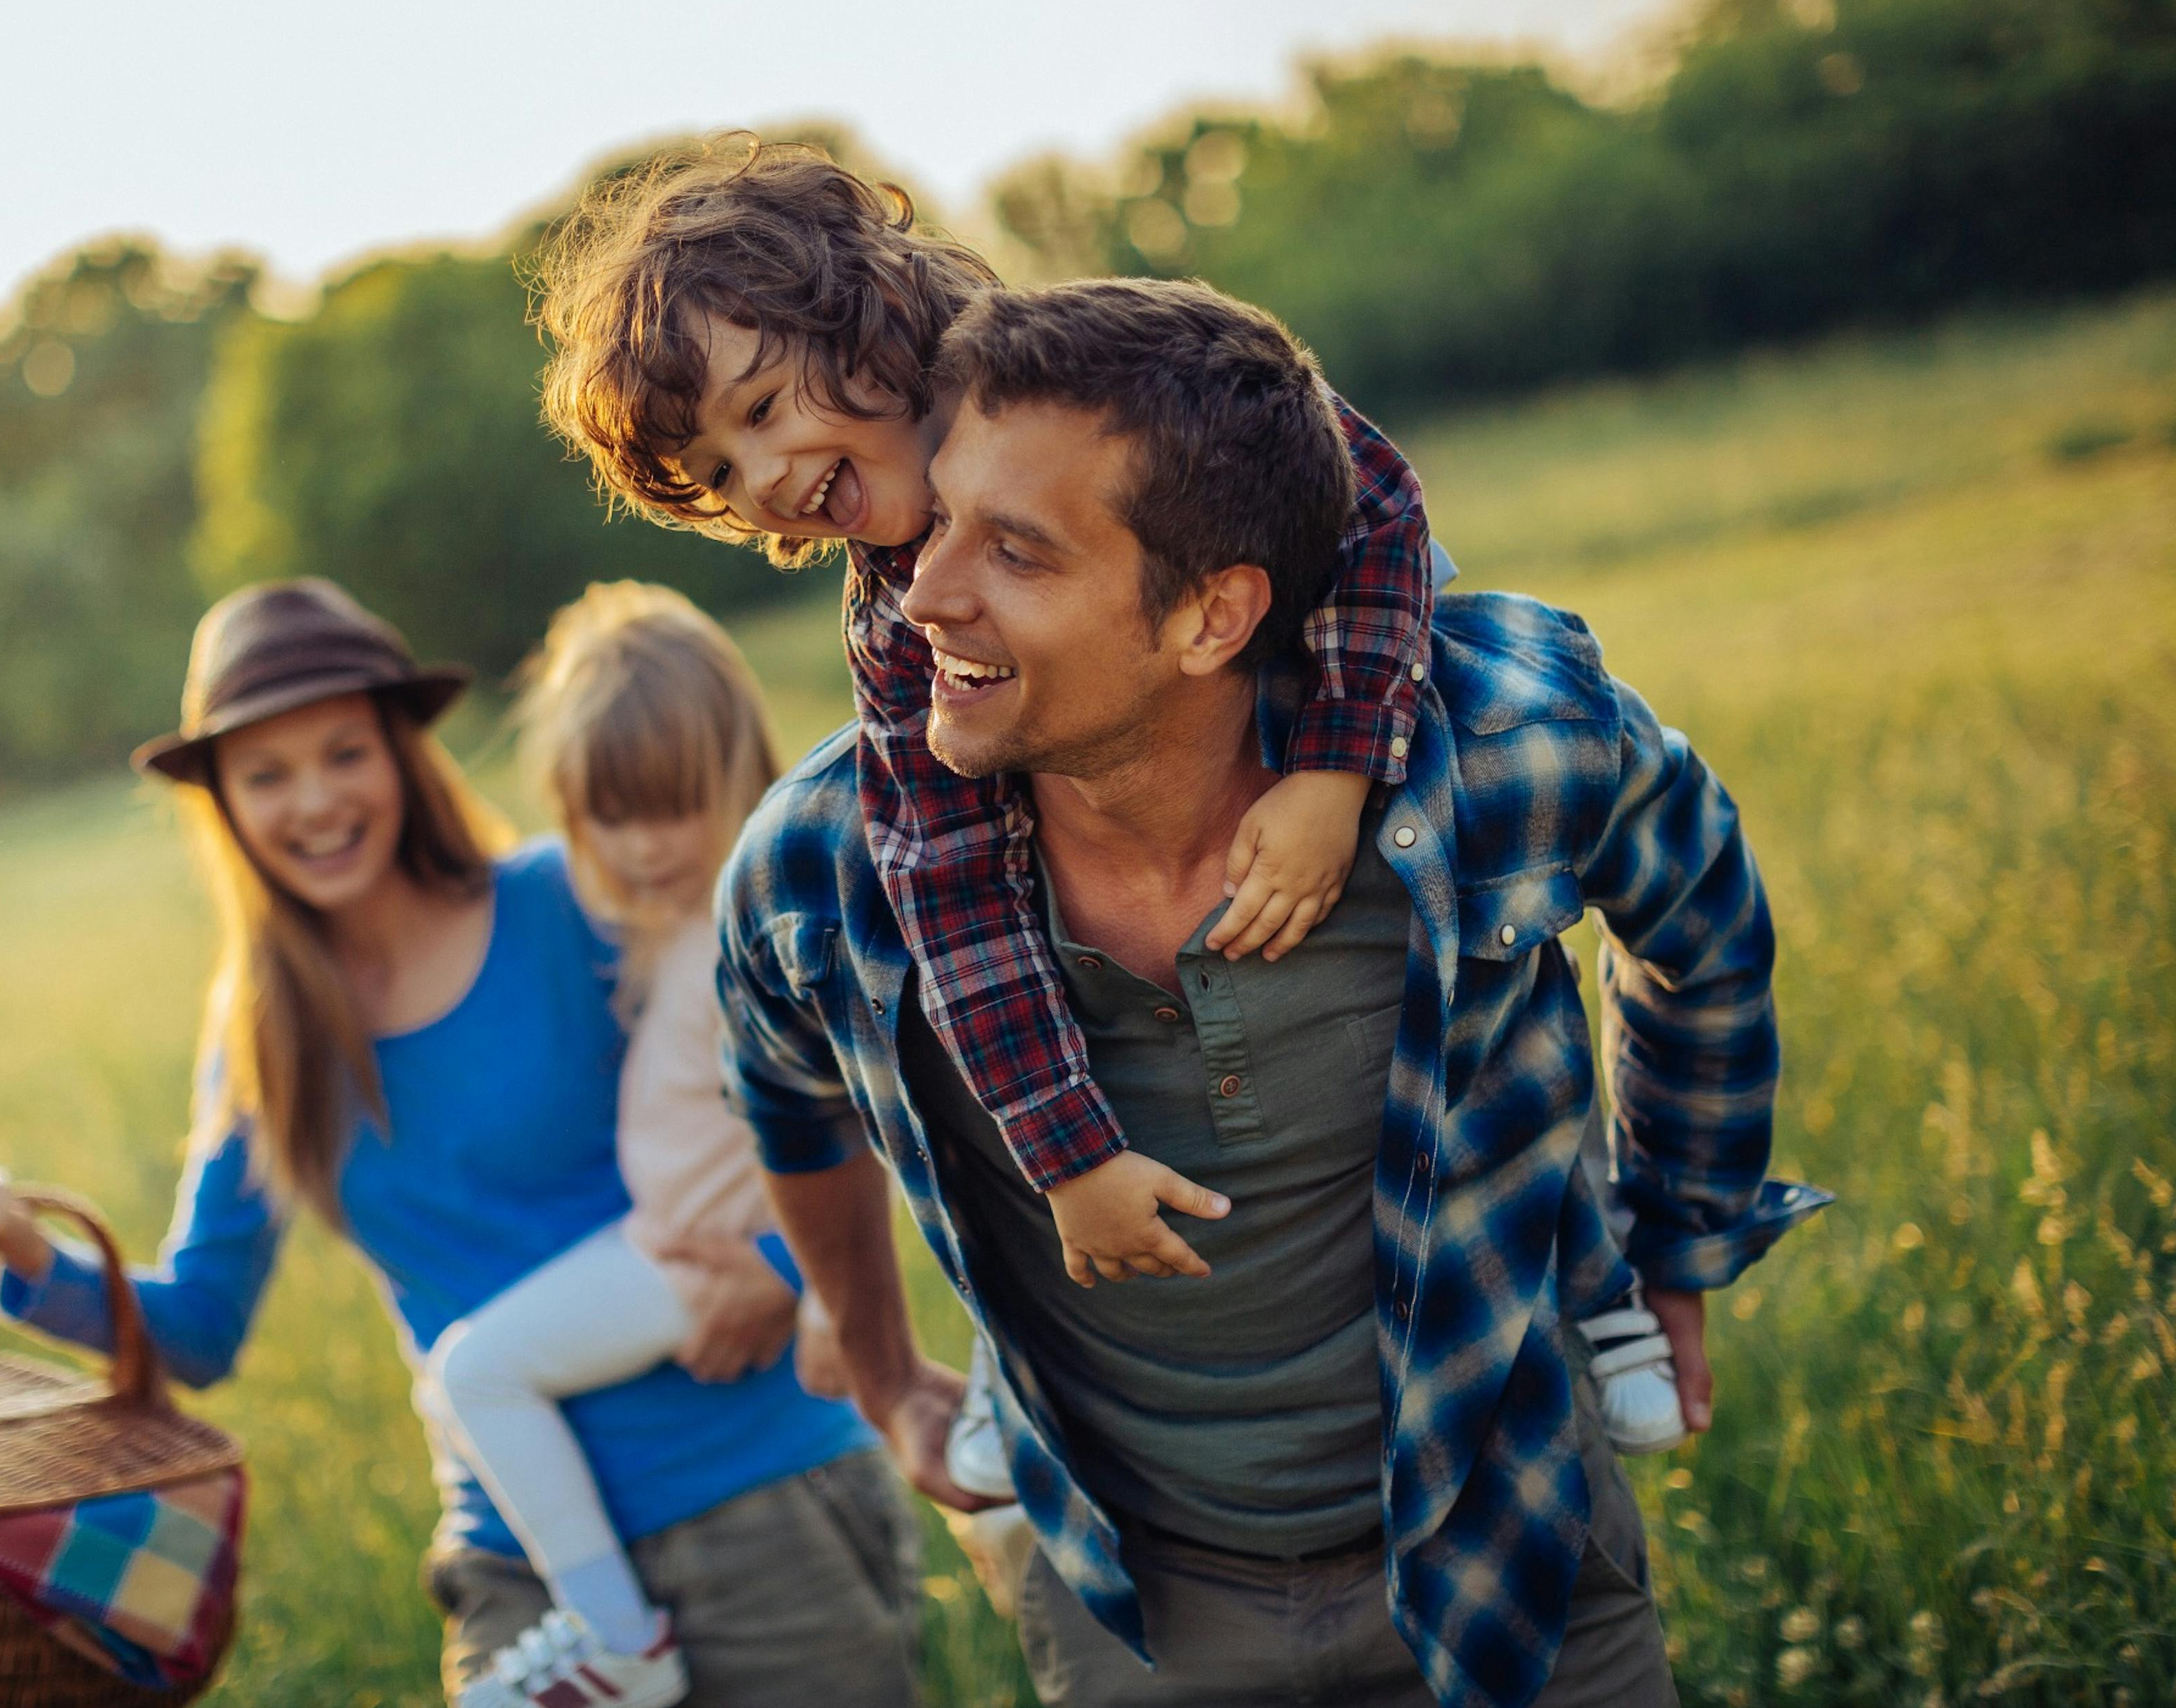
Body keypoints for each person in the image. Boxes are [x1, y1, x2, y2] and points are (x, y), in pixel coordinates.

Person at [710, 278, 1833, 1708]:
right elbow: (783, 1095)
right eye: (941, 522)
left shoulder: (1502, 749)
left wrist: (1677, 1232)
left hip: (1513, 1558)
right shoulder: (823, 867)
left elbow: (1706, 922)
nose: (921, 589)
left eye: (1018, 550)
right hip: (1134, 1612)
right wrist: (877, 1368)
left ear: (1214, 613)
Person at [532, 139, 1688, 1452]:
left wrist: (1333, 773)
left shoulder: (1113, 375)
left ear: (864, 310)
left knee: (1470, 977)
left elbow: (1377, 505)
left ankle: (1590, 1280)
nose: (768, 482)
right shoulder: (892, 625)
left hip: (1341, 697)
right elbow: (950, 895)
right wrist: (1068, 1156)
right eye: (726, 478)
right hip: (1141, 869)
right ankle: (1037, 1392)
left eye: (759, 411)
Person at [0, 578, 923, 1708]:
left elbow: (809, 1092)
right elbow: (199, 1327)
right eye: (265, 773)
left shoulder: (572, 901)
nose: (314, 801)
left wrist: (790, 1277)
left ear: (402, 757)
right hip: (522, 1564)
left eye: (344, 753)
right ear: (223, 804)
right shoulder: (265, 1041)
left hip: (756, 1497)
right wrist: (29, 1255)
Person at [420, 582, 839, 1708]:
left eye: (673, 807)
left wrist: (795, 1271)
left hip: (701, 1256)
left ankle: (617, 1642)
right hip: (671, 1241)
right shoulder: (670, 918)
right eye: (612, 815)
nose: (645, 846)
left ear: (738, 771)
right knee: (456, 1383)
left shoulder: (743, 933)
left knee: (475, 1371)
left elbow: (855, 1110)